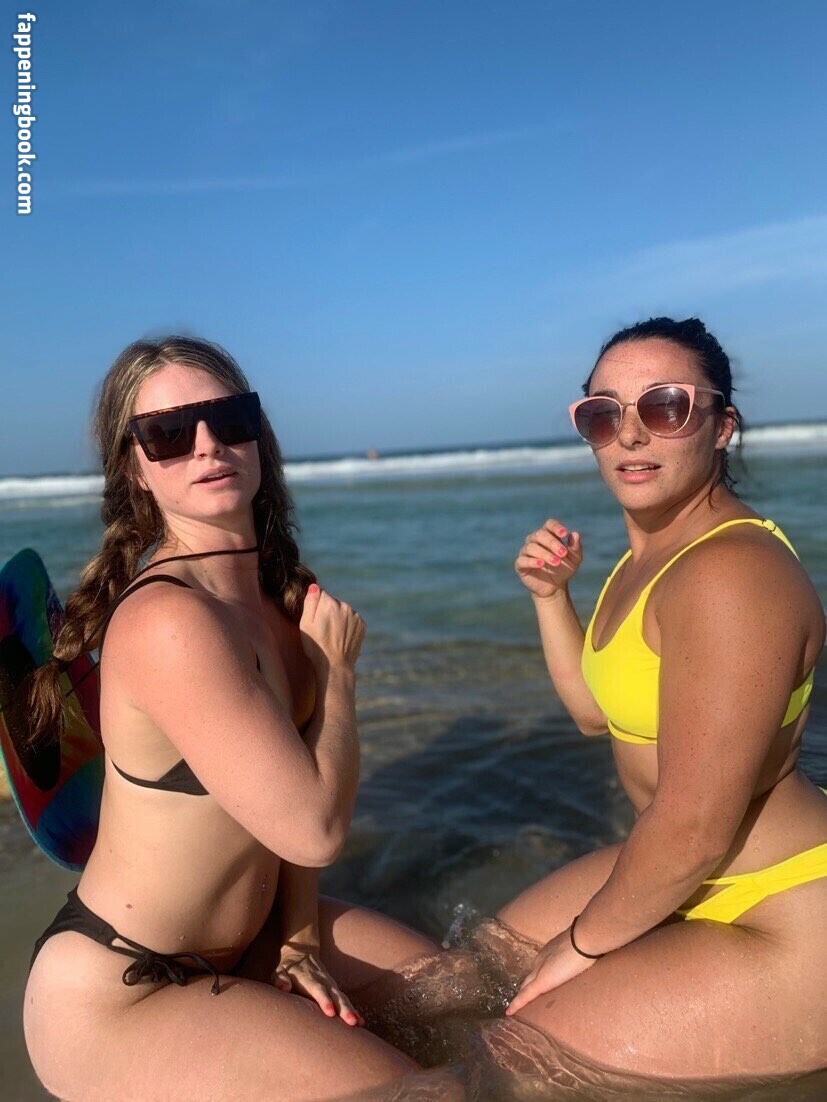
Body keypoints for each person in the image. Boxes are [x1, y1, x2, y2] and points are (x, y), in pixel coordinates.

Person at [23, 336, 441, 1101]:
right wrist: (336, 677)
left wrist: (300, 937)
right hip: (126, 991)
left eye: (229, 419)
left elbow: (292, 801)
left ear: (258, 433)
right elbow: (313, 827)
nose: (207, 446)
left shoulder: (277, 597)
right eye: (168, 434)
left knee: (466, 993)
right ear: (134, 469)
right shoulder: (170, 623)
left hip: (254, 943)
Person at [500, 318, 826, 1079]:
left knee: (514, 1060)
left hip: (782, 905)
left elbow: (694, 826)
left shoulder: (730, 574)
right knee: (468, 967)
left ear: (722, 425)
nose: (629, 434)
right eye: (602, 413)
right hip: (682, 868)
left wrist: (580, 946)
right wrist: (551, 598)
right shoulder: (645, 560)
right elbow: (595, 714)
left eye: (665, 406)